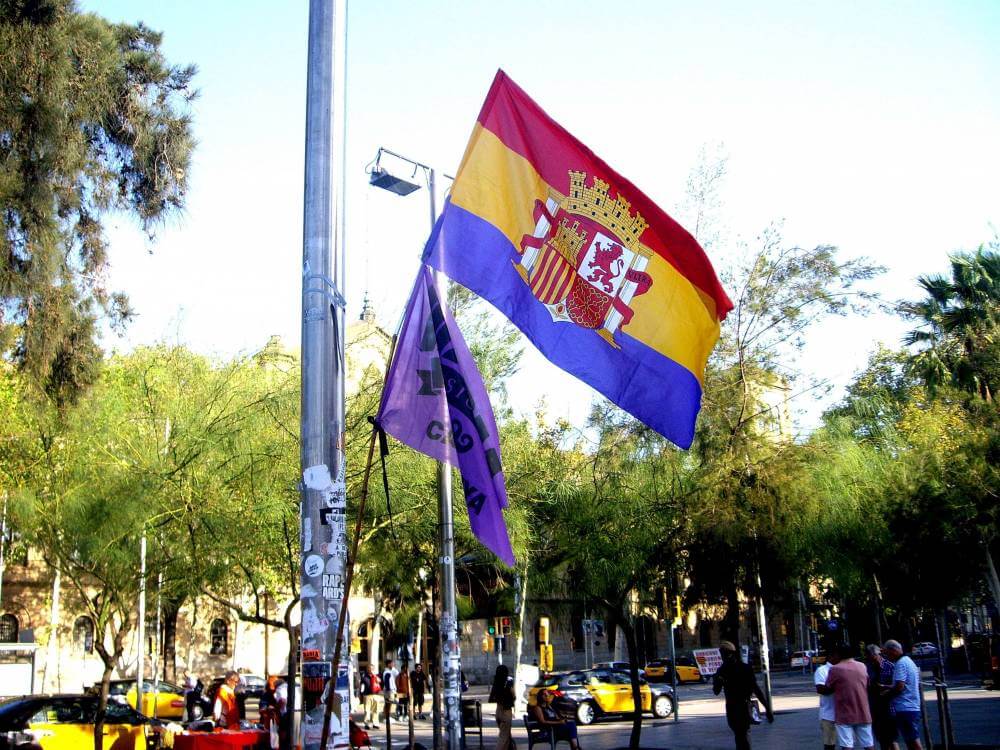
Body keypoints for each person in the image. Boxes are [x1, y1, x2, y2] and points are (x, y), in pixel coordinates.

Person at [712, 640, 773, 750]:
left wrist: (767, 708)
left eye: (724, 654)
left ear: (731, 653)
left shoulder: (744, 668)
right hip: (732, 708)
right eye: (721, 654)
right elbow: (716, 691)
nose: (722, 657)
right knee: (740, 735)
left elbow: (756, 689)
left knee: (742, 735)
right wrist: (717, 681)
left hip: (743, 706)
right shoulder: (722, 670)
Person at [819, 643, 873, 750]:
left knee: (847, 745)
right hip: (863, 711)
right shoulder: (862, 666)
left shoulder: (835, 669)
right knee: (868, 744)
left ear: (839, 655)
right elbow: (868, 684)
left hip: (844, 713)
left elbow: (828, 688)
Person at [882, 640, 924, 750]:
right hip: (911, 705)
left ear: (893, 650)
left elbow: (900, 686)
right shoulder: (908, 661)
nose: (887, 657)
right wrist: (887, 687)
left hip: (905, 706)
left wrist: (887, 694)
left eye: (887, 653)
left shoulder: (901, 663)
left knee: (913, 740)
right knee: (910, 740)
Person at [865, 645, 899, 750]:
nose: (871, 658)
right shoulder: (867, 667)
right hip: (875, 708)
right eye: (869, 656)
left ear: (878, 654)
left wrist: (886, 690)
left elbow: (897, 687)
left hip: (889, 707)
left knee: (892, 739)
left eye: (872, 656)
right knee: (881, 738)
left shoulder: (890, 666)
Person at [488, 665, 516, 750]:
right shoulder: (508, 682)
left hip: (498, 711)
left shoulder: (496, 683)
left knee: (506, 735)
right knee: (503, 737)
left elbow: (491, 698)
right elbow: (514, 695)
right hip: (506, 711)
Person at [814, 650, 836, 750]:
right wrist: (839, 685)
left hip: (845, 713)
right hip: (828, 715)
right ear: (831, 656)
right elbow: (821, 689)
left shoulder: (844, 668)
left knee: (848, 744)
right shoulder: (822, 670)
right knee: (829, 744)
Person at [360, 664, 382, 729]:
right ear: (367, 669)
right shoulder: (364, 677)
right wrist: (361, 695)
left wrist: (374, 675)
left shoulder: (376, 676)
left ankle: (375, 723)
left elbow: (379, 681)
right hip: (367, 695)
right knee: (367, 710)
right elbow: (361, 686)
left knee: (376, 710)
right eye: (369, 668)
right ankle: (367, 723)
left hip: (376, 695)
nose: (370, 670)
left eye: (372, 668)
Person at [382, 659, 399, 724]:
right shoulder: (387, 672)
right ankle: (387, 717)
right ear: (388, 664)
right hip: (389, 690)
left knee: (389, 704)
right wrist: (388, 690)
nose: (393, 665)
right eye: (392, 663)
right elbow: (387, 682)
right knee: (388, 704)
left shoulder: (390, 671)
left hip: (391, 690)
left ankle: (387, 716)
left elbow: (397, 674)